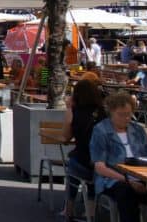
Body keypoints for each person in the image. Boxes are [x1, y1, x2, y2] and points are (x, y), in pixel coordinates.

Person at [91, 91, 147, 222]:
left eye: (129, 114)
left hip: (141, 178)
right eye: (121, 115)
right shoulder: (101, 130)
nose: (126, 118)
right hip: (113, 180)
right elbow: (100, 167)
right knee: (127, 193)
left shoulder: (137, 130)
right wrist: (128, 180)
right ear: (111, 112)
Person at [61, 79, 105, 222]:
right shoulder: (104, 112)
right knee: (93, 174)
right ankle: (90, 212)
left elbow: (66, 137)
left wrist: (68, 108)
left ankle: (69, 210)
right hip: (102, 163)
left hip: (81, 160)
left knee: (74, 166)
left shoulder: (74, 112)